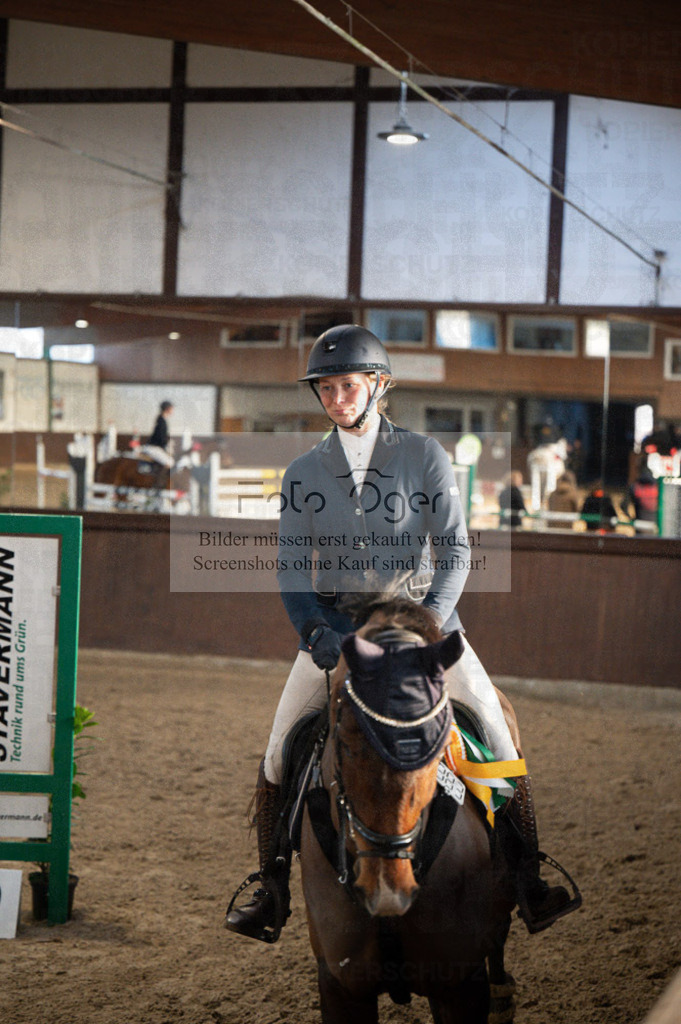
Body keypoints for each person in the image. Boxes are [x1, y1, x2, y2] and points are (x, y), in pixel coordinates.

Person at [224, 324, 578, 943]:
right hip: (338, 632)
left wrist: (432, 625)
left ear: (377, 386)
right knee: (281, 748)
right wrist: (314, 632)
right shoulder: (305, 471)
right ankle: (270, 885)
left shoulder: (424, 456)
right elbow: (289, 565)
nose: (337, 398)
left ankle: (528, 876)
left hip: (423, 625)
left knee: (494, 729)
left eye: (348, 386)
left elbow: (457, 551)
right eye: (327, 388)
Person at [620, 467, 658, 533]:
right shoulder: (658, 487)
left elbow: (623, 506)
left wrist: (631, 519)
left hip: (640, 528)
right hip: (657, 528)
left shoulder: (634, 487)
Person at [140, 400, 175, 467]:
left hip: (156, 448)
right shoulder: (162, 421)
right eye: (171, 408)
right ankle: (160, 478)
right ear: (167, 409)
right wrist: (167, 445)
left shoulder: (161, 419)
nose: (172, 411)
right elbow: (161, 438)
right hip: (154, 448)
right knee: (170, 462)